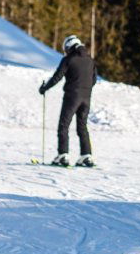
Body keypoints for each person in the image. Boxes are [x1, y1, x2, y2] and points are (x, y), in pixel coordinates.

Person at [39, 35, 97, 168]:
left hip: (72, 97)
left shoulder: (68, 59)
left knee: (63, 125)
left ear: (68, 47)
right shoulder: (90, 60)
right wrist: (85, 89)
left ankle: (63, 155)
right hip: (86, 98)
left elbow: (57, 77)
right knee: (82, 126)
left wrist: (44, 88)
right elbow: (93, 80)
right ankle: (86, 156)